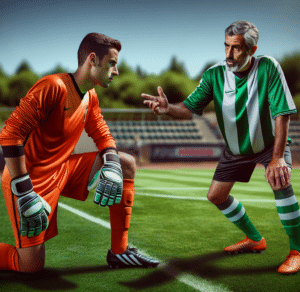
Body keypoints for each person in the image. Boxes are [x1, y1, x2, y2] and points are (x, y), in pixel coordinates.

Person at [142, 20, 300, 275]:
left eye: (236, 48)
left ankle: (296, 251)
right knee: (216, 196)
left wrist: (278, 157)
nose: (228, 53)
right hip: (236, 149)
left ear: (252, 49)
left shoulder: (268, 67)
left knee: (280, 181)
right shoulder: (214, 74)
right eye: (226, 46)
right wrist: (167, 108)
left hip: (268, 144)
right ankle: (255, 239)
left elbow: (282, 113)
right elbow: (189, 109)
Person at [0, 33, 159, 273]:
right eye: (112, 64)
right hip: (30, 181)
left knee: (125, 163)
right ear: (93, 60)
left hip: (63, 169)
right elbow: (10, 134)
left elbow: (102, 134)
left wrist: (112, 163)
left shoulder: (91, 96)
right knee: (30, 266)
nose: (116, 72)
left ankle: (120, 252)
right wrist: (23, 190)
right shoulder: (53, 86)